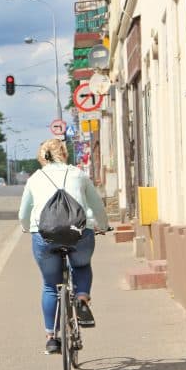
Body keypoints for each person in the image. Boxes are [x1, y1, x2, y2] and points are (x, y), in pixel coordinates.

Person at [18, 139, 109, 354]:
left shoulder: (35, 179)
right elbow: (97, 205)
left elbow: (23, 214)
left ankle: (52, 338)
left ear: (42, 156)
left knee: (51, 286)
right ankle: (82, 298)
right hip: (80, 234)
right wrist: (103, 226)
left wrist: (26, 227)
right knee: (81, 266)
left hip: (44, 237)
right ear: (65, 153)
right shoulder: (78, 174)